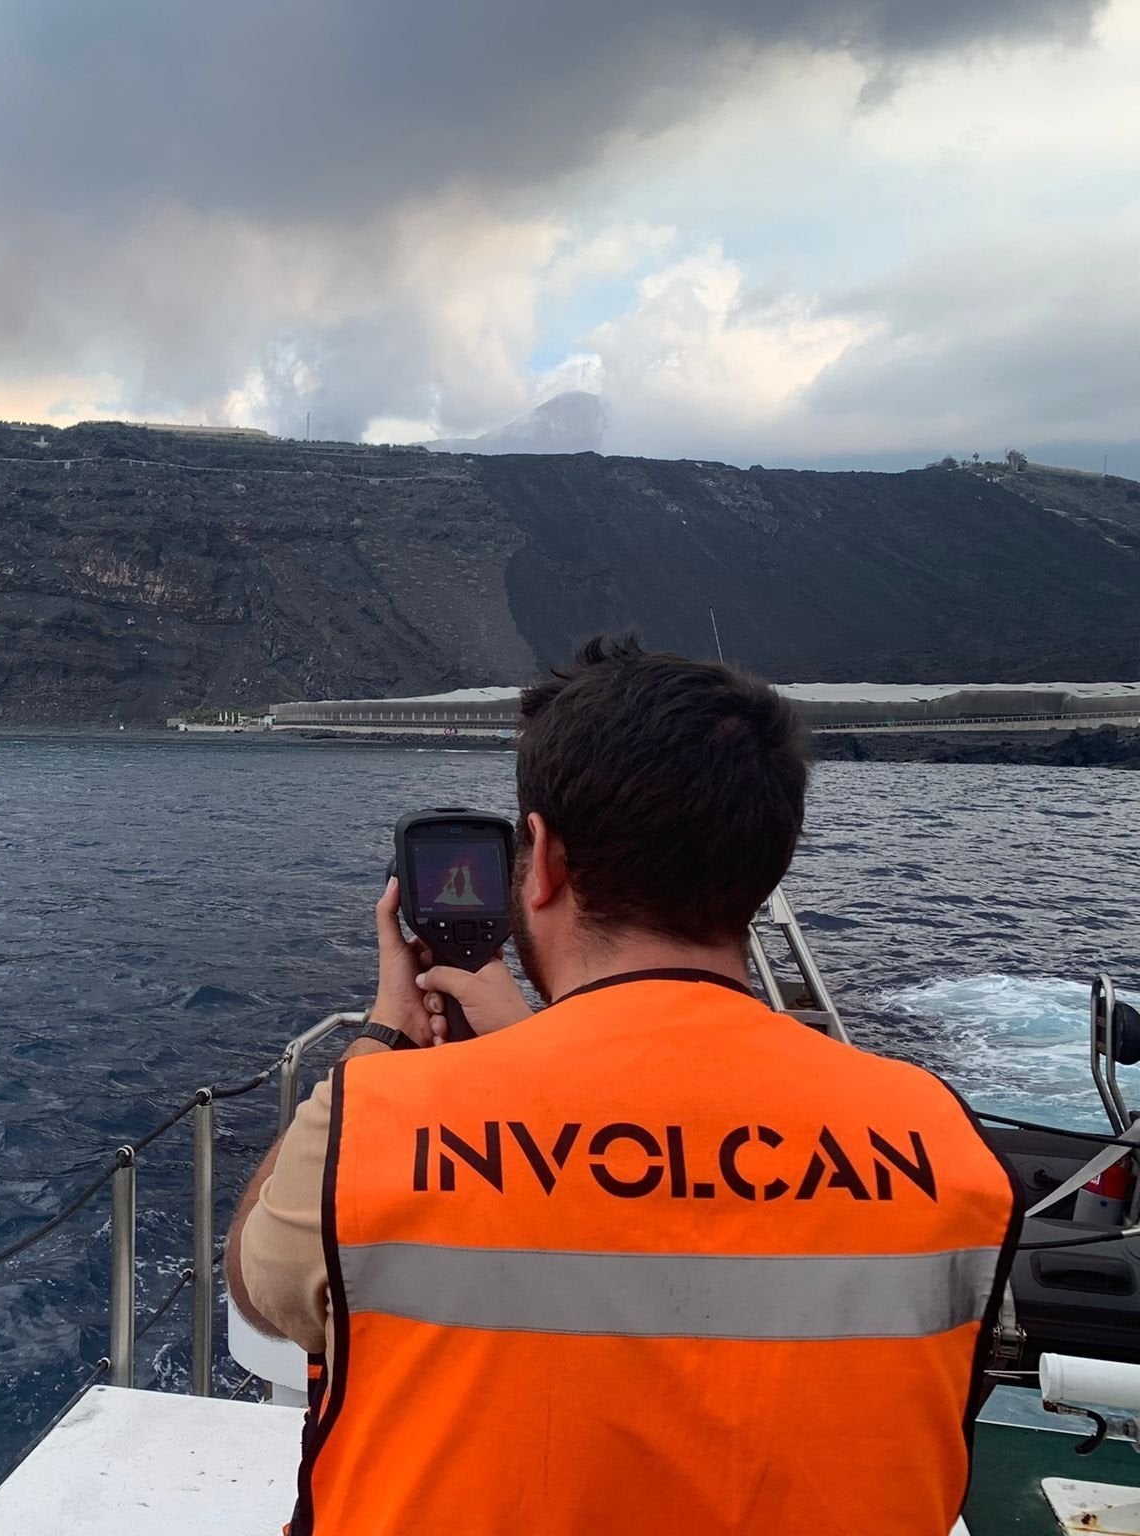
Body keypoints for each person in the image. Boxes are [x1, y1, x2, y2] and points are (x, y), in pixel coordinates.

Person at [226, 636, 1021, 1536]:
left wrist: (384, 1034)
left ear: (545, 858)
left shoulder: (376, 1122)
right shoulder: (940, 1143)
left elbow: (260, 1288)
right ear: (767, 866)